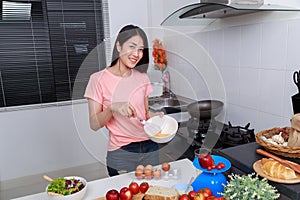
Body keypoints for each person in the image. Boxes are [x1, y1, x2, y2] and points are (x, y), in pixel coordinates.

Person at [84, 24, 163, 176]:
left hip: (150, 147)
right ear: (119, 46)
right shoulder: (98, 79)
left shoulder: (142, 77)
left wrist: (156, 116)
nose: (137, 53)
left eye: (141, 49)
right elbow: (94, 124)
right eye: (132, 46)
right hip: (122, 152)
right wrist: (112, 108)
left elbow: (145, 114)